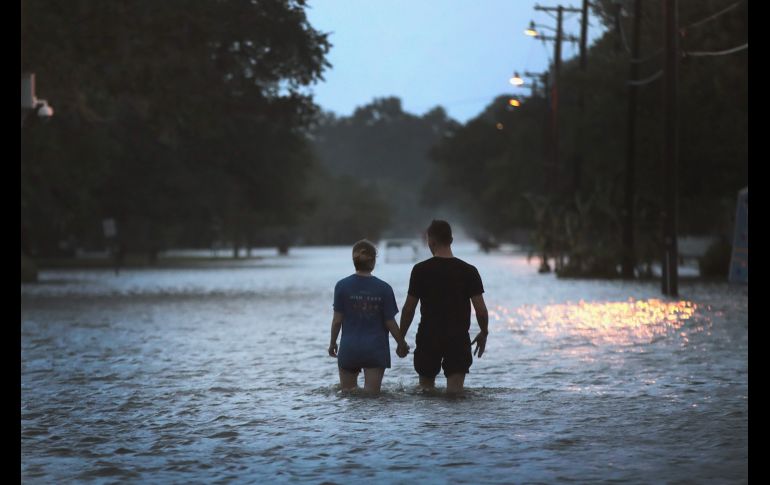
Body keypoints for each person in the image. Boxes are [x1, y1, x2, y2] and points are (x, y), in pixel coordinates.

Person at [399, 220, 489, 394]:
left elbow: (408, 309)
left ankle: (432, 422)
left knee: (425, 393)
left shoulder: (420, 270)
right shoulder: (469, 271)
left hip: (428, 337)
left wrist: (401, 338)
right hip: (457, 338)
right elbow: (481, 310)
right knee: (455, 395)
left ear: (430, 241)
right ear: (451, 240)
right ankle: (453, 422)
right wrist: (484, 332)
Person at [328, 239, 410, 393]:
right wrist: (401, 343)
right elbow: (390, 322)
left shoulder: (341, 286)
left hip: (349, 348)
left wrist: (332, 343)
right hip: (375, 350)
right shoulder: (384, 288)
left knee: (348, 394)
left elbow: (337, 321)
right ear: (373, 261)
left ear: (354, 260)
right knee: (372, 397)